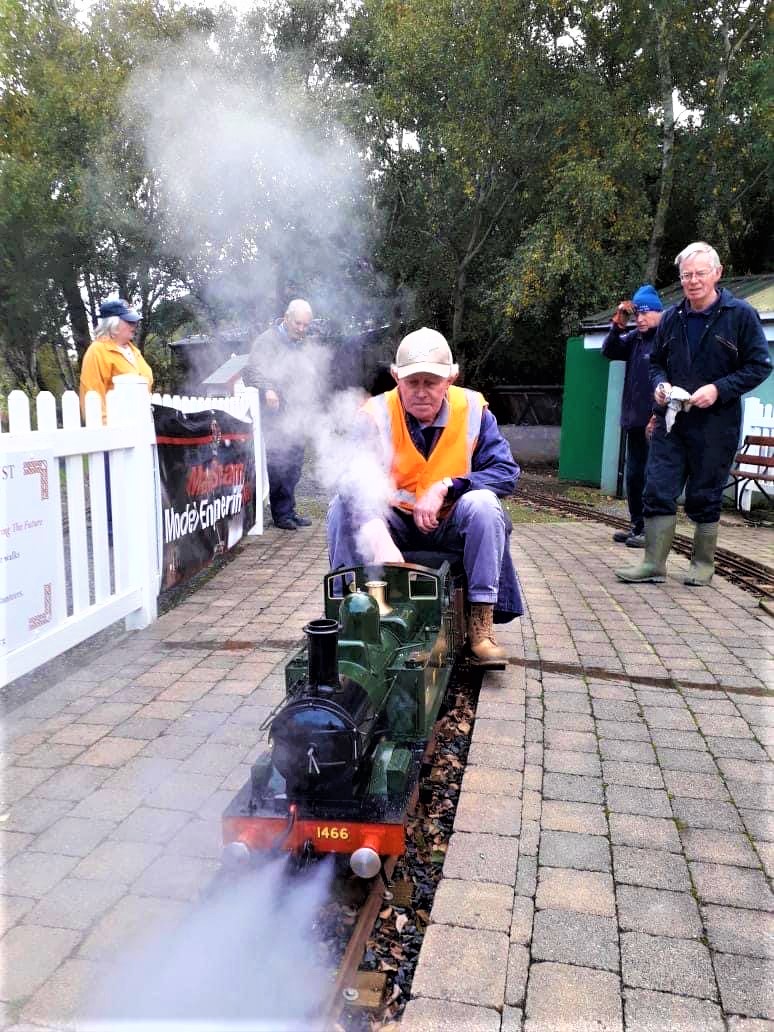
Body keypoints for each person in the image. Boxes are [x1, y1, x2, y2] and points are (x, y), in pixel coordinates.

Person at [327, 327, 523, 667]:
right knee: (340, 508)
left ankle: (480, 627)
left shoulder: (475, 410)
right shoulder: (376, 414)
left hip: (449, 522)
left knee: (485, 505)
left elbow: (505, 471)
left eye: (430, 383)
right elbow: (349, 478)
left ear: (450, 378)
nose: (421, 393)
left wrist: (448, 485)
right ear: (395, 377)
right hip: (394, 523)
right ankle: (350, 616)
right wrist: (375, 529)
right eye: (411, 383)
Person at [616, 242, 771, 586]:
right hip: (672, 421)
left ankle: (702, 563)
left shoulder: (740, 315)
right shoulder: (671, 317)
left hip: (717, 425)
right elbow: (656, 363)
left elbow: (760, 365)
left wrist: (719, 389)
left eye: (700, 273)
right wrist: (660, 385)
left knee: (705, 493)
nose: (693, 281)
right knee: (657, 487)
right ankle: (653, 563)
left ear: (716, 273)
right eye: (687, 275)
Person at [602, 284, 664, 548]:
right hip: (634, 422)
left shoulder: (664, 339)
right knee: (634, 477)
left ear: (659, 313)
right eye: (636, 314)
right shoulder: (635, 339)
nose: (640, 319)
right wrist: (619, 322)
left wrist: (657, 414)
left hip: (656, 423)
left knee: (653, 477)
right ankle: (637, 525)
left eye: (645, 313)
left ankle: (651, 532)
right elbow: (609, 350)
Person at [244, 299, 314, 530]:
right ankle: (281, 514)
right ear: (286, 318)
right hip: (275, 414)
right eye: (298, 324)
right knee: (279, 462)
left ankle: (289, 510)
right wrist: (269, 389)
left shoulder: (301, 343)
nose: (302, 329)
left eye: (306, 325)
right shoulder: (267, 340)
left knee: (294, 464)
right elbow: (252, 371)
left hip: (297, 412)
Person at [79, 298, 153, 419]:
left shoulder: (135, 351)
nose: (134, 325)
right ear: (112, 324)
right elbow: (91, 395)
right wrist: (106, 432)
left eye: (134, 322)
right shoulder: (97, 351)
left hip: (141, 425)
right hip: (115, 429)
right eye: (129, 322)